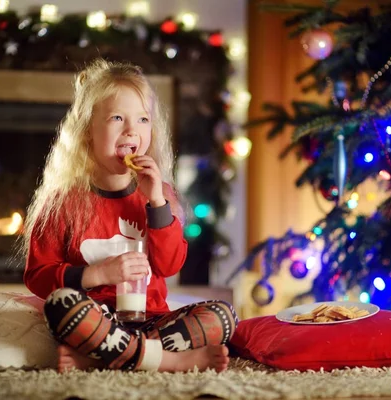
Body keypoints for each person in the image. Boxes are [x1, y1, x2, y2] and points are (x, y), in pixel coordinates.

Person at [21, 59, 238, 373]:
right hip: (97, 319)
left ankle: (101, 358)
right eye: (117, 117)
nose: (131, 130)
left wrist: (156, 202)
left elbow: (170, 264)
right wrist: (96, 275)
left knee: (223, 315)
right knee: (60, 306)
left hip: (152, 319)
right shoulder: (62, 202)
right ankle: (168, 361)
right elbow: (38, 276)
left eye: (142, 119)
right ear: (86, 133)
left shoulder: (158, 195)